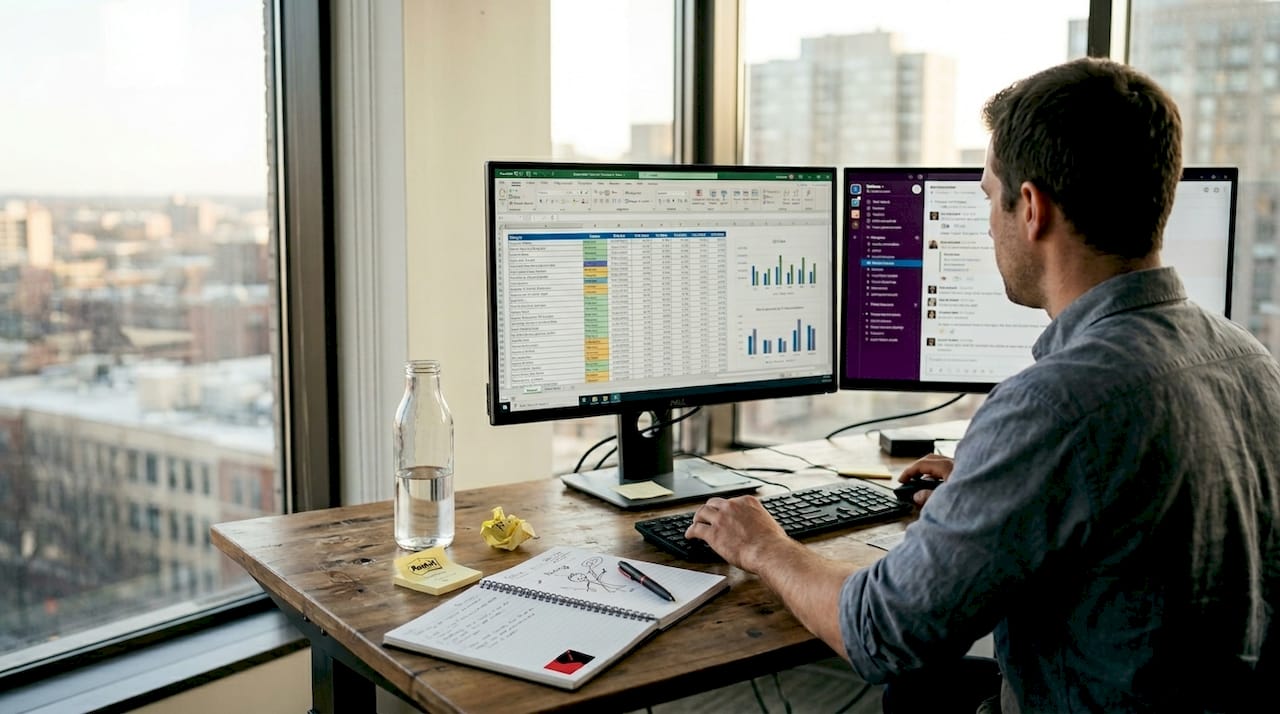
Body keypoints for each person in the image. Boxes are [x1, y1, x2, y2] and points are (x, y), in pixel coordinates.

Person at [686, 57, 1280, 713]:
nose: (987, 224)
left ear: (1030, 208)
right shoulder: (1249, 360)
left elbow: (882, 633)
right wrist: (986, 485)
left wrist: (765, 547)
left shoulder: (1056, 403)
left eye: (986, 196)